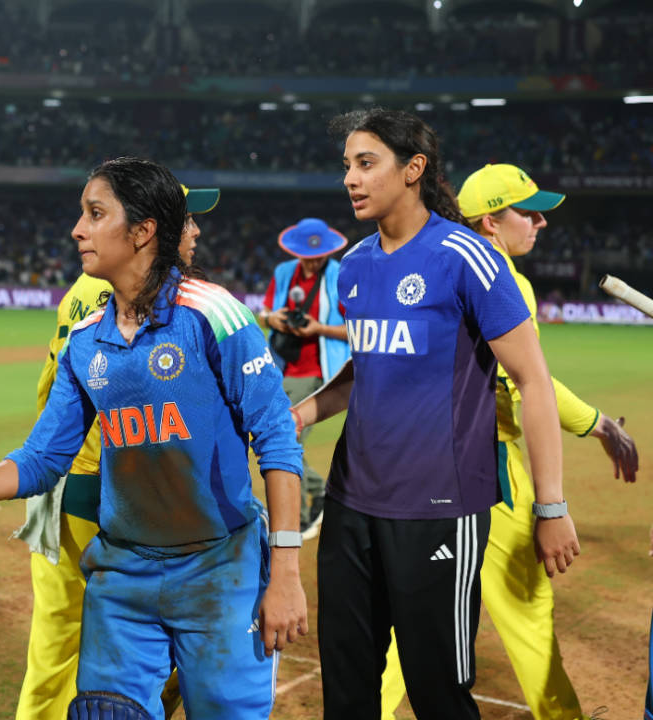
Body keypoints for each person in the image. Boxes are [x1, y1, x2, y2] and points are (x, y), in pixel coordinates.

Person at [0, 157, 306, 719]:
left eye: (95, 214)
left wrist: (285, 574)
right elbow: (42, 459)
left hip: (218, 570)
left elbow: (278, 441)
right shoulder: (87, 342)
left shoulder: (217, 317)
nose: (77, 229)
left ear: (142, 232)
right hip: (123, 576)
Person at [290, 109, 581, 720]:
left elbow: (532, 381)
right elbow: (363, 369)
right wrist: (302, 413)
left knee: (437, 694)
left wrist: (550, 506)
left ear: (414, 169)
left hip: (437, 508)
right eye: (347, 165)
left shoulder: (467, 257)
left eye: (366, 163)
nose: (351, 178)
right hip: (350, 505)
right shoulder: (359, 265)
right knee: (345, 690)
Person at [376, 163, 638, 720]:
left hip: (413, 471)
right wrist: (553, 502)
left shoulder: (431, 261)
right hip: (485, 470)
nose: (541, 222)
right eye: (529, 211)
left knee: (411, 621)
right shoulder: (501, 279)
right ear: (491, 222)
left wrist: (595, 422)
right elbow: (526, 386)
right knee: (527, 619)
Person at [12, 183, 220, 720]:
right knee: (158, 628)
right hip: (102, 485)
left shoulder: (90, 286)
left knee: (58, 638)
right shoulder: (127, 293)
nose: (196, 231)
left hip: (65, 476)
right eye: (187, 219)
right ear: (152, 228)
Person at [256, 218, 351, 539]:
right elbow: (266, 313)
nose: (312, 260)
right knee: (282, 439)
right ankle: (322, 495)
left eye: (319, 255)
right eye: (307, 255)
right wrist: (275, 320)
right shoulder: (284, 272)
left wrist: (318, 328)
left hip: (318, 372)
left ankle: (293, 520)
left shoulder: (339, 275)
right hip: (281, 367)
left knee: (285, 439)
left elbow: (356, 329)